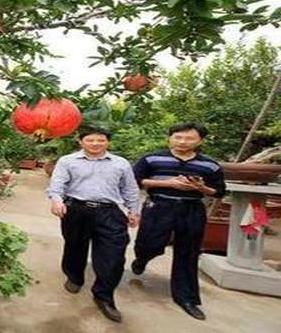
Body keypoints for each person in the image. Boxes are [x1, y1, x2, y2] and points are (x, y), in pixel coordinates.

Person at [131, 123, 226, 321]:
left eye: (189, 138)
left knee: (188, 254)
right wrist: (167, 183)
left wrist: (201, 188)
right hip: (159, 206)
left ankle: (187, 299)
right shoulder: (152, 159)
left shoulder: (210, 165)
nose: (182, 142)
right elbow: (134, 180)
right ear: (170, 138)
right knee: (149, 244)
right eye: (178, 137)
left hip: (191, 209)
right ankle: (142, 259)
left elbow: (219, 191)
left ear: (200, 140)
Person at [46, 126, 141, 323]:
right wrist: (56, 200)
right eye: (90, 140)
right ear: (81, 142)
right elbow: (57, 184)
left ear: (108, 142)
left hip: (110, 212)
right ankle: (74, 277)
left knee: (113, 256)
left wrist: (134, 210)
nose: (96, 144)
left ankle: (104, 296)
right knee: (75, 247)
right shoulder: (67, 161)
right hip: (76, 210)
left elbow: (130, 188)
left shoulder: (121, 163)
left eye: (101, 140)